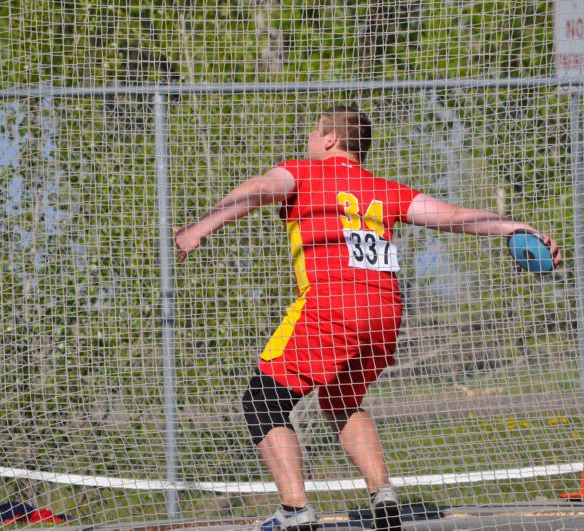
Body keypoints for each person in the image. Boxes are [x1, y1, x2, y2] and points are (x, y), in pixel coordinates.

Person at [174, 106, 562, 531]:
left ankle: (294, 510)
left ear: (329, 139)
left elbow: (259, 187)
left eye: (313, 131)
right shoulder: (385, 190)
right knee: (341, 401)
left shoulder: (302, 172)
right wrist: (512, 227)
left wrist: (201, 226)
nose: (308, 138)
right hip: (384, 312)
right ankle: (383, 493)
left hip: (330, 307)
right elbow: (451, 216)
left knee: (262, 403)